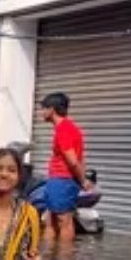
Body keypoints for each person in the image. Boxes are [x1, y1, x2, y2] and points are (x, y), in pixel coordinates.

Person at [39, 93, 93, 242]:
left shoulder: (64, 129)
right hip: (58, 179)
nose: (42, 112)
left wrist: (83, 181)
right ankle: (49, 259)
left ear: (52, 110)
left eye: (44, 108)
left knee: (64, 222)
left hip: (63, 180)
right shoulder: (64, 128)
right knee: (50, 221)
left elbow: (73, 161)